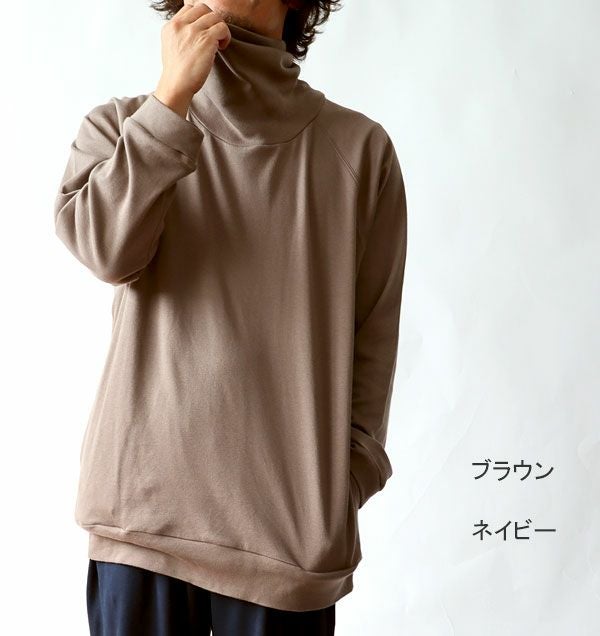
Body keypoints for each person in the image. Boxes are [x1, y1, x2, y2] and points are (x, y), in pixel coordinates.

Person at [54, 1, 408, 634]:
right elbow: (107, 250)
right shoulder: (122, 128)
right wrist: (169, 103)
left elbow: (372, 348)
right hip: (140, 531)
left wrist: (338, 489)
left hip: (288, 549)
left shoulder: (360, 152)